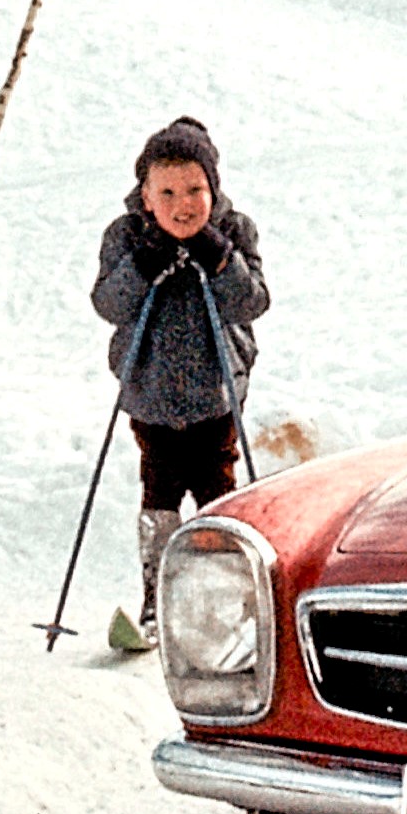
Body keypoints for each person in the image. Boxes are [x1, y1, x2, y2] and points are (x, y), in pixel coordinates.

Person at [92, 116, 269, 638]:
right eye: (166, 192)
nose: (183, 204)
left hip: (217, 397)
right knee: (160, 493)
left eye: (196, 189)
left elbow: (252, 301)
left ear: (214, 190)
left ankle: (229, 596)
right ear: (145, 196)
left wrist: (219, 258)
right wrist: (144, 263)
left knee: (220, 493)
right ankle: (158, 594)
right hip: (151, 396)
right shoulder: (127, 237)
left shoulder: (234, 233)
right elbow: (108, 303)